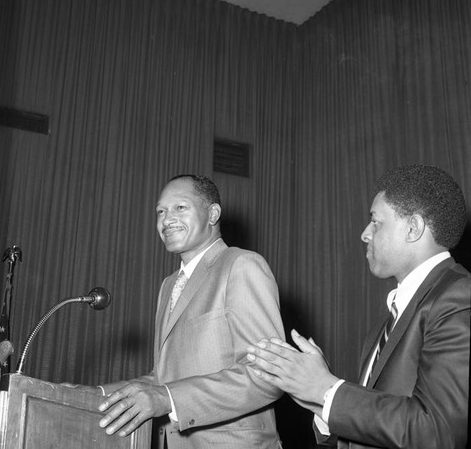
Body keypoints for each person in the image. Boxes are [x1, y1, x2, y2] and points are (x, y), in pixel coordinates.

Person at [246, 164, 470, 449]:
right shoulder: (384, 324)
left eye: (375, 222)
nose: (365, 234)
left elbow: (440, 433)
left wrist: (327, 390)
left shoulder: (459, 297)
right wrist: (318, 402)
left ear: (413, 228)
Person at [96, 174, 285, 448]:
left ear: (212, 214)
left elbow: (269, 373)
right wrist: (97, 395)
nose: (166, 219)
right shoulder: (168, 285)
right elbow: (164, 379)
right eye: (160, 211)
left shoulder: (241, 265)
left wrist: (167, 399)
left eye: (179, 208)